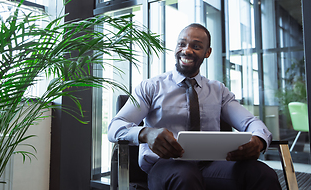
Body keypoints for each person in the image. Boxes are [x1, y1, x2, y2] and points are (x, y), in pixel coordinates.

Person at [108, 23, 281, 190]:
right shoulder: (151, 87)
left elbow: (251, 122)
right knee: (186, 176)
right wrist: (145, 133)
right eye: (181, 44)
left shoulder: (218, 90)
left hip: (211, 166)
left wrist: (258, 140)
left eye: (196, 46)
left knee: (262, 173)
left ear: (207, 52)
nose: (187, 50)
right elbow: (115, 127)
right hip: (166, 166)